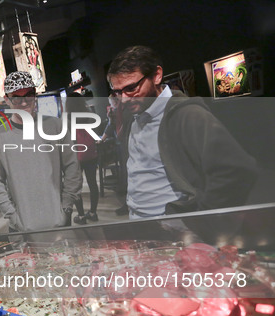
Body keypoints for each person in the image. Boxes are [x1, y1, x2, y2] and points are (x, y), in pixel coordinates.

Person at [107, 45, 258, 219]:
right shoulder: (133, 114)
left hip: (175, 229)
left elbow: (238, 169)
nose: (124, 98)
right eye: (117, 92)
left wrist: (201, 222)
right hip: (139, 222)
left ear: (156, 76)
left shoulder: (188, 114)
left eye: (131, 88)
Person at [0, 71, 82, 232]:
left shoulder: (55, 126)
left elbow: (72, 167)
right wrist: (13, 217)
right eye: (17, 97)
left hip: (59, 221)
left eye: (29, 95)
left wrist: (66, 207)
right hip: (22, 226)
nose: (24, 103)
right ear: (7, 99)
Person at [66, 93, 99, 225]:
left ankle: (81, 216)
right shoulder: (89, 113)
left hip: (76, 156)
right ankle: (93, 212)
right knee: (92, 183)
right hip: (91, 153)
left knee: (76, 187)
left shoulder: (68, 117)